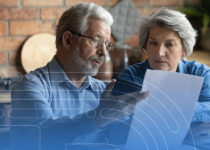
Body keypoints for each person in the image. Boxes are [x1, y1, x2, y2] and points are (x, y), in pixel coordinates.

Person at [10, 3, 148, 150]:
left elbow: (117, 136)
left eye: (107, 45)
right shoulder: (29, 86)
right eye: (96, 41)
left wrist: (142, 123)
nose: (103, 52)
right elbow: (46, 135)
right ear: (68, 40)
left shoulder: (103, 90)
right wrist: (97, 118)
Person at [118, 8, 210, 122]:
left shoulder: (199, 72)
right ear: (145, 46)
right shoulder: (131, 75)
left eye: (169, 44)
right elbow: (117, 126)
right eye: (153, 43)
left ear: (184, 50)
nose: (159, 52)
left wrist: (176, 108)